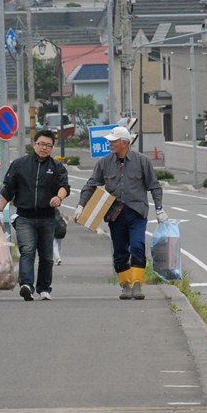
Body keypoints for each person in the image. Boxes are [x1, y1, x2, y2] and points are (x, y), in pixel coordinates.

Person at [73, 126, 167, 300]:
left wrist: (159, 209)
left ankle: (137, 284)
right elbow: (91, 185)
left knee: (138, 246)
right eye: (110, 141)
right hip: (115, 214)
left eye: (113, 141)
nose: (110, 143)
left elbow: (154, 186)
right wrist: (81, 205)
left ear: (125, 143)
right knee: (120, 251)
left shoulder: (141, 161)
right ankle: (125, 285)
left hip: (137, 212)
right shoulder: (104, 162)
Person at [0, 130, 70, 301]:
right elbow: (8, 189)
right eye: (41, 144)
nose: (44, 148)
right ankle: (26, 285)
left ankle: (44, 288)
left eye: (48, 145)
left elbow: (64, 186)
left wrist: (58, 198)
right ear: (34, 144)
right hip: (25, 216)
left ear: (52, 147)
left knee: (46, 255)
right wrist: (0, 211)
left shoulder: (56, 167)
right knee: (27, 250)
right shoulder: (20, 164)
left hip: (47, 217)